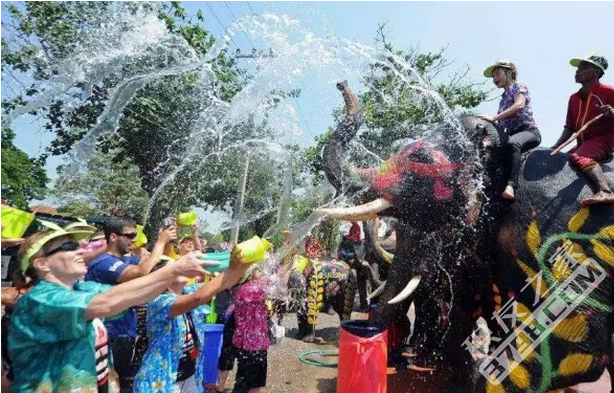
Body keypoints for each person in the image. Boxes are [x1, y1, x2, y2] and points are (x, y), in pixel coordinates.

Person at [7, 227, 208, 393]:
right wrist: (173, 269)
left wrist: (233, 269)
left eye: (77, 245)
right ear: (42, 263)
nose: (80, 251)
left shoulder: (83, 289)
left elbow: (137, 294)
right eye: (68, 247)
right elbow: (106, 303)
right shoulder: (40, 300)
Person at [132, 247, 249, 393]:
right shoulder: (158, 302)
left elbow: (224, 283)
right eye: (175, 268)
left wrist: (244, 264)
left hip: (190, 375)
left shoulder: (188, 291)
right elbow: (198, 298)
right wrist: (231, 269)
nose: (181, 270)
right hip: (163, 379)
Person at [85, 217, 177, 392]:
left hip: (124, 334)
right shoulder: (103, 263)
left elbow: (152, 262)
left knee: (122, 384)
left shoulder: (124, 260)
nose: (134, 239)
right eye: (129, 235)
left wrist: (166, 240)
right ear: (113, 237)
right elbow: (142, 273)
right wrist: (160, 241)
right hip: (107, 336)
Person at [552, 54, 614, 205]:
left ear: (597, 72)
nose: (578, 71)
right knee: (566, 158)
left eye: (584, 67)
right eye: (578, 68)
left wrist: (612, 113)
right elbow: (570, 128)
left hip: (604, 139)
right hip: (583, 141)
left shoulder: (609, 91)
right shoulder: (573, 98)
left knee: (580, 157)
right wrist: (556, 146)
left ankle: (605, 191)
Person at [480, 59, 541, 200]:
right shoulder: (502, 100)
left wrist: (494, 118)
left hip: (529, 131)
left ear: (509, 72)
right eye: (493, 76)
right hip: (511, 134)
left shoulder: (519, 86)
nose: (494, 79)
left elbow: (519, 105)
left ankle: (511, 186)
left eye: (497, 74)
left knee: (513, 144)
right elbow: (500, 126)